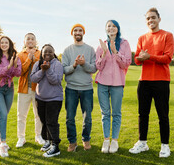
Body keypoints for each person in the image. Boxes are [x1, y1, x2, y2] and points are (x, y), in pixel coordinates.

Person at [129, 7, 174, 158]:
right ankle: (143, 142)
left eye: (153, 17)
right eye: (148, 18)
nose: (150, 20)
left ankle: (165, 146)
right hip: (144, 81)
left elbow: (167, 58)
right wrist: (142, 58)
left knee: (163, 115)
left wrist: (149, 57)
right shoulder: (142, 38)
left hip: (161, 81)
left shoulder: (167, 36)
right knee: (143, 114)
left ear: (159, 19)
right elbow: (136, 60)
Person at [95, 20, 131, 153]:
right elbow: (98, 66)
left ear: (118, 28)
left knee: (116, 113)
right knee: (105, 113)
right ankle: (106, 140)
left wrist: (115, 52)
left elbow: (126, 64)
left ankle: (114, 141)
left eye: (113, 26)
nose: (111, 28)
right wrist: (104, 53)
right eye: (108, 26)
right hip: (102, 84)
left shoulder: (124, 43)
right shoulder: (101, 45)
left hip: (117, 83)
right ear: (106, 29)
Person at [62, 24, 97, 152]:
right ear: (72, 33)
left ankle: (86, 139)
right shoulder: (67, 50)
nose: (78, 32)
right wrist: (75, 65)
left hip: (86, 89)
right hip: (71, 88)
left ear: (83, 33)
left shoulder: (90, 49)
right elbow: (64, 69)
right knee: (70, 117)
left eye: (80, 30)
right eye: (75, 30)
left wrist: (84, 64)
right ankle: (72, 142)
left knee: (87, 117)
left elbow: (93, 68)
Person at [30, 44, 63, 157]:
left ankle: (55, 146)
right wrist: (42, 71)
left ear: (53, 53)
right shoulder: (37, 64)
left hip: (54, 99)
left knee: (51, 122)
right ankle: (48, 141)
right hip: (40, 98)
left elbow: (56, 81)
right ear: (42, 54)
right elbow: (33, 78)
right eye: (45, 52)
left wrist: (47, 70)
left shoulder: (57, 65)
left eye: (50, 52)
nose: (47, 54)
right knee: (44, 121)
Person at [0, 36, 21, 157]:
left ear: (10, 44)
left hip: (9, 88)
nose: (4, 44)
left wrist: (14, 65)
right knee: (3, 114)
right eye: (2, 43)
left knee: (4, 115)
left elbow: (18, 73)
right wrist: (9, 66)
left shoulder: (15, 57)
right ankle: (3, 143)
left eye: (6, 42)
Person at [16, 33, 45, 147]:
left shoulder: (40, 53)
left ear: (35, 41)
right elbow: (20, 72)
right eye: (28, 39)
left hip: (38, 89)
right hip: (24, 89)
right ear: (24, 41)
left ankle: (38, 136)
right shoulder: (20, 54)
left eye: (32, 39)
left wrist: (34, 59)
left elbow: (42, 68)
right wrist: (28, 59)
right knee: (21, 115)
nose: (30, 41)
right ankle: (21, 138)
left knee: (38, 114)